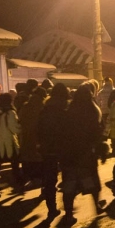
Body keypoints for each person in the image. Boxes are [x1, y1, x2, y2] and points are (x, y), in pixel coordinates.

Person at [60, 85, 104, 223]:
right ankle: (96, 206)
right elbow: (97, 132)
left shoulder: (68, 111)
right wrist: (99, 150)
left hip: (69, 154)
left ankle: (68, 214)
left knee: (69, 185)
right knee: (91, 180)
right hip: (86, 153)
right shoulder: (92, 111)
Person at [37, 83, 69, 218]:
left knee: (49, 179)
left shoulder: (45, 110)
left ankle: (52, 208)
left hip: (47, 148)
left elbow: (38, 130)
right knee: (67, 178)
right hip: (62, 148)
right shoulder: (64, 111)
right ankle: (68, 209)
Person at [0, 93, 21, 199]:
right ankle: (18, 187)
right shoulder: (10, 112)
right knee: (15, 164)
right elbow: (14, 128)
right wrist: (21, 127)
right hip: (8, 142)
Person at [18, 87, 47, 189]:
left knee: (28, 157)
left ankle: (32, 178)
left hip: (26, 136)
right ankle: (40, 179)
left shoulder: (26, 106)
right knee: (39, 159)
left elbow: (20, 120)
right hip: (38, 136)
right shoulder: (43, 107)